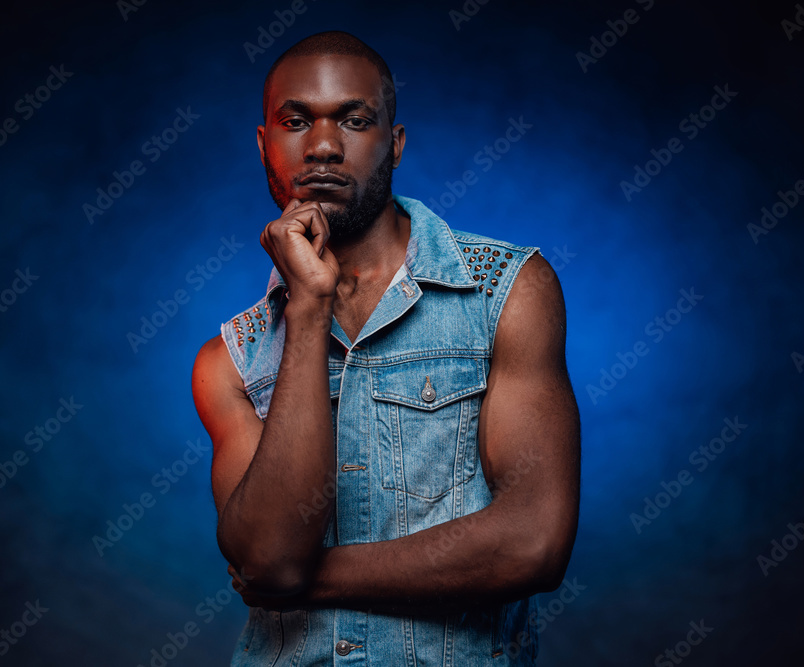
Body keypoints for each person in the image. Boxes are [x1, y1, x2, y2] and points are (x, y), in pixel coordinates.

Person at [191, 30, 580, 666]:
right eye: (296, 122)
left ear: (394, 144)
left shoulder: (505, 293)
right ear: (264, 147)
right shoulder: (228, 360)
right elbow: (266, 552)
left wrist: (305, 579)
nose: (321, 146)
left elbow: (533, 543)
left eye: (354, 119)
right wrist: (309, 309)